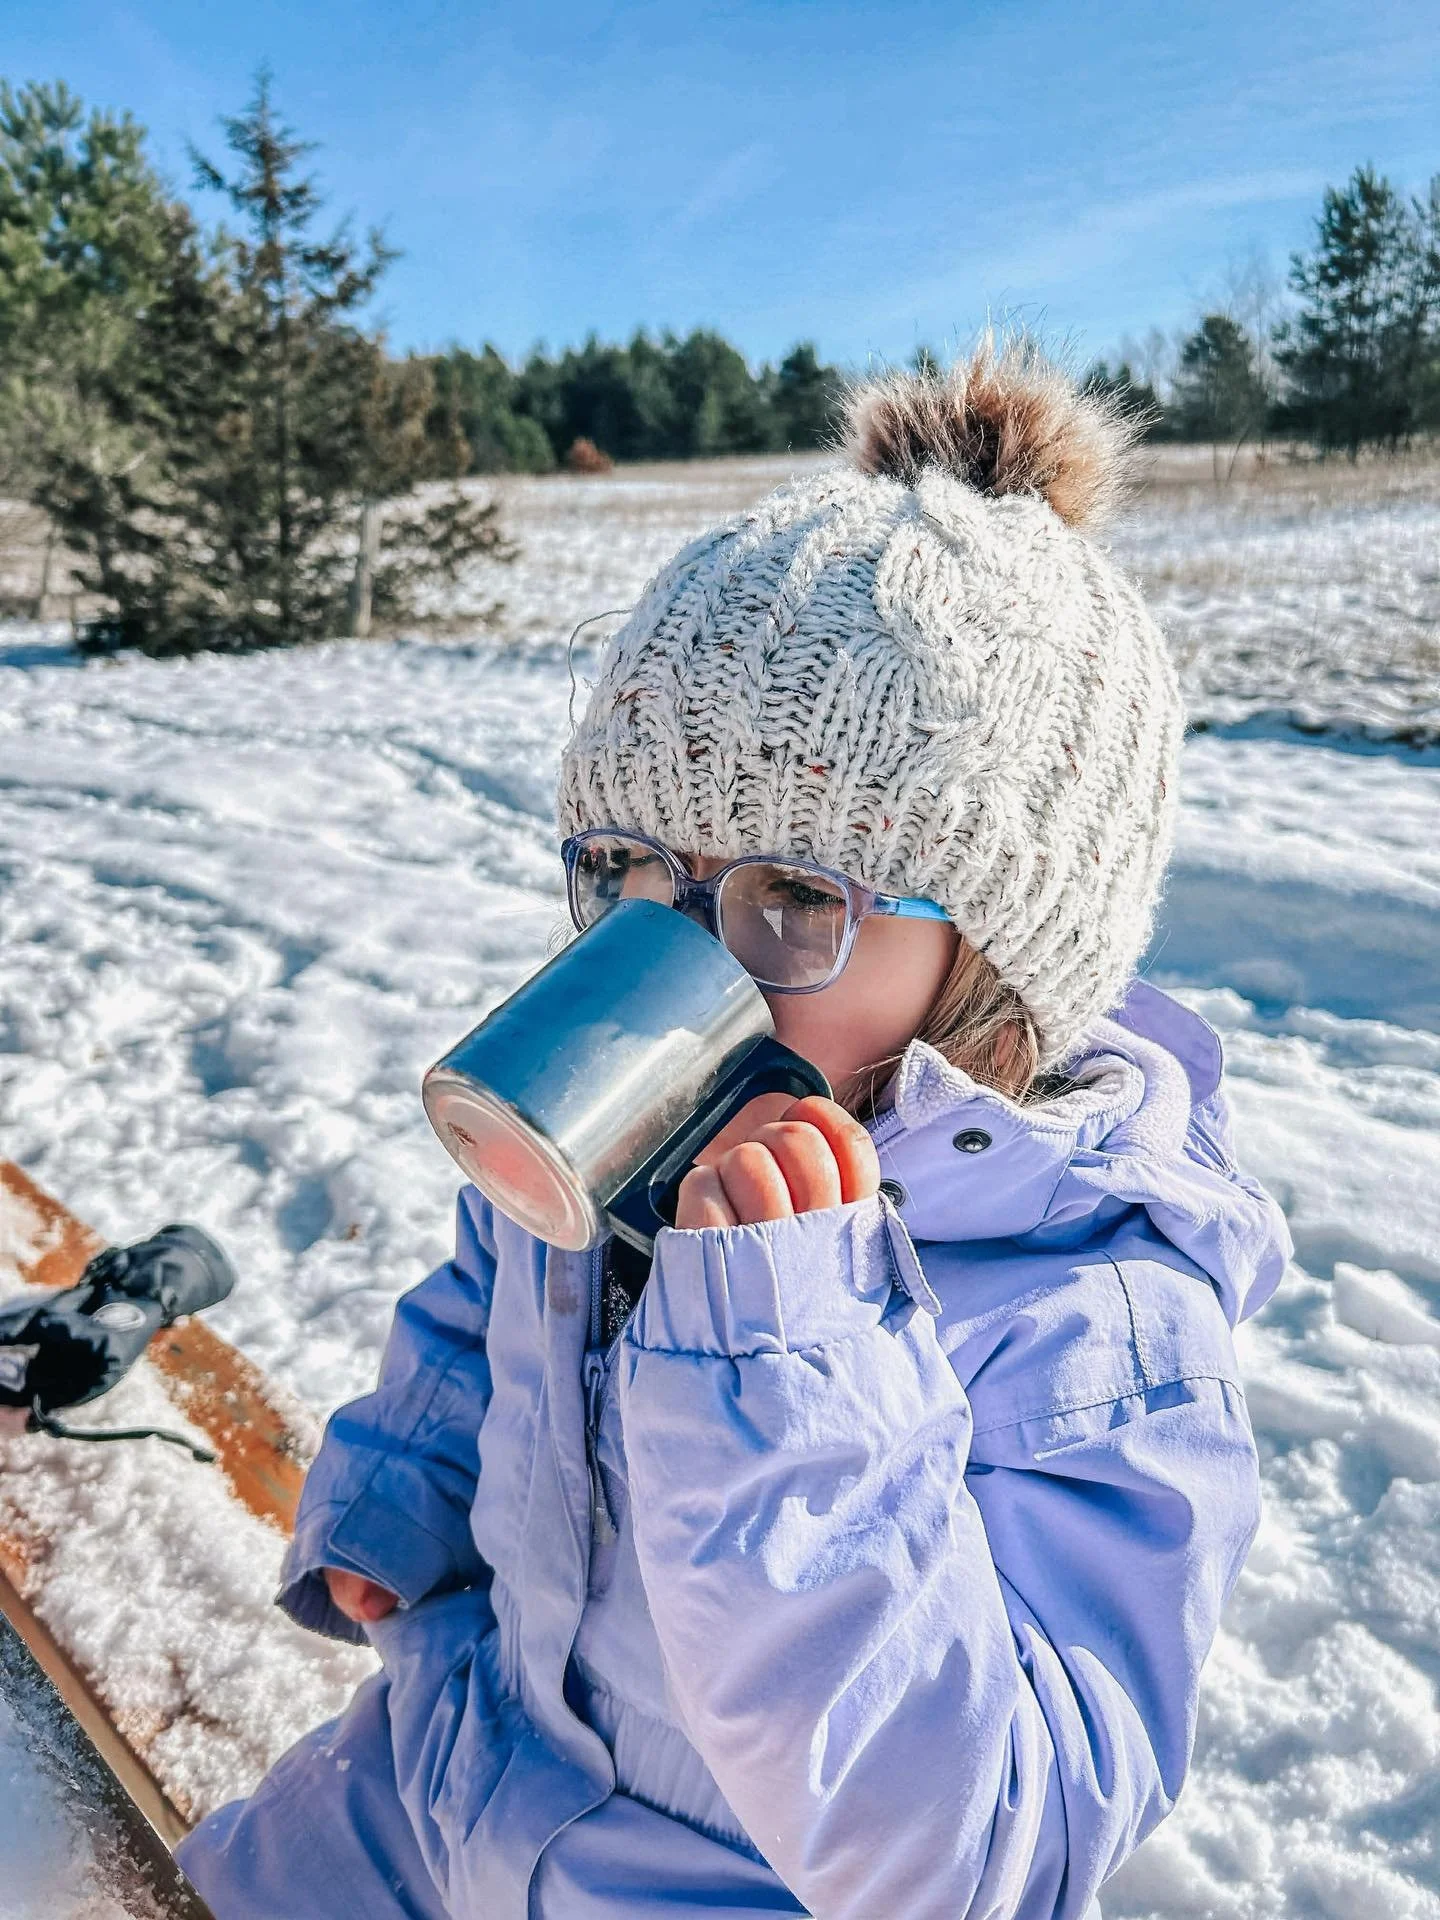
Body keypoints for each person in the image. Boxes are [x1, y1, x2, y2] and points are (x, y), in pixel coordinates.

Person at [179, 343, 1290, 1920]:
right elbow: (479, 1317)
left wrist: (792, 1361)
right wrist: (400, 1498)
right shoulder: (624, 1122)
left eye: (792, 897)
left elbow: (988, 1853)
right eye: (632, 876)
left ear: (1000, 961)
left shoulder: (1092, 1318)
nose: (685, 963)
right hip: (447, 1778)